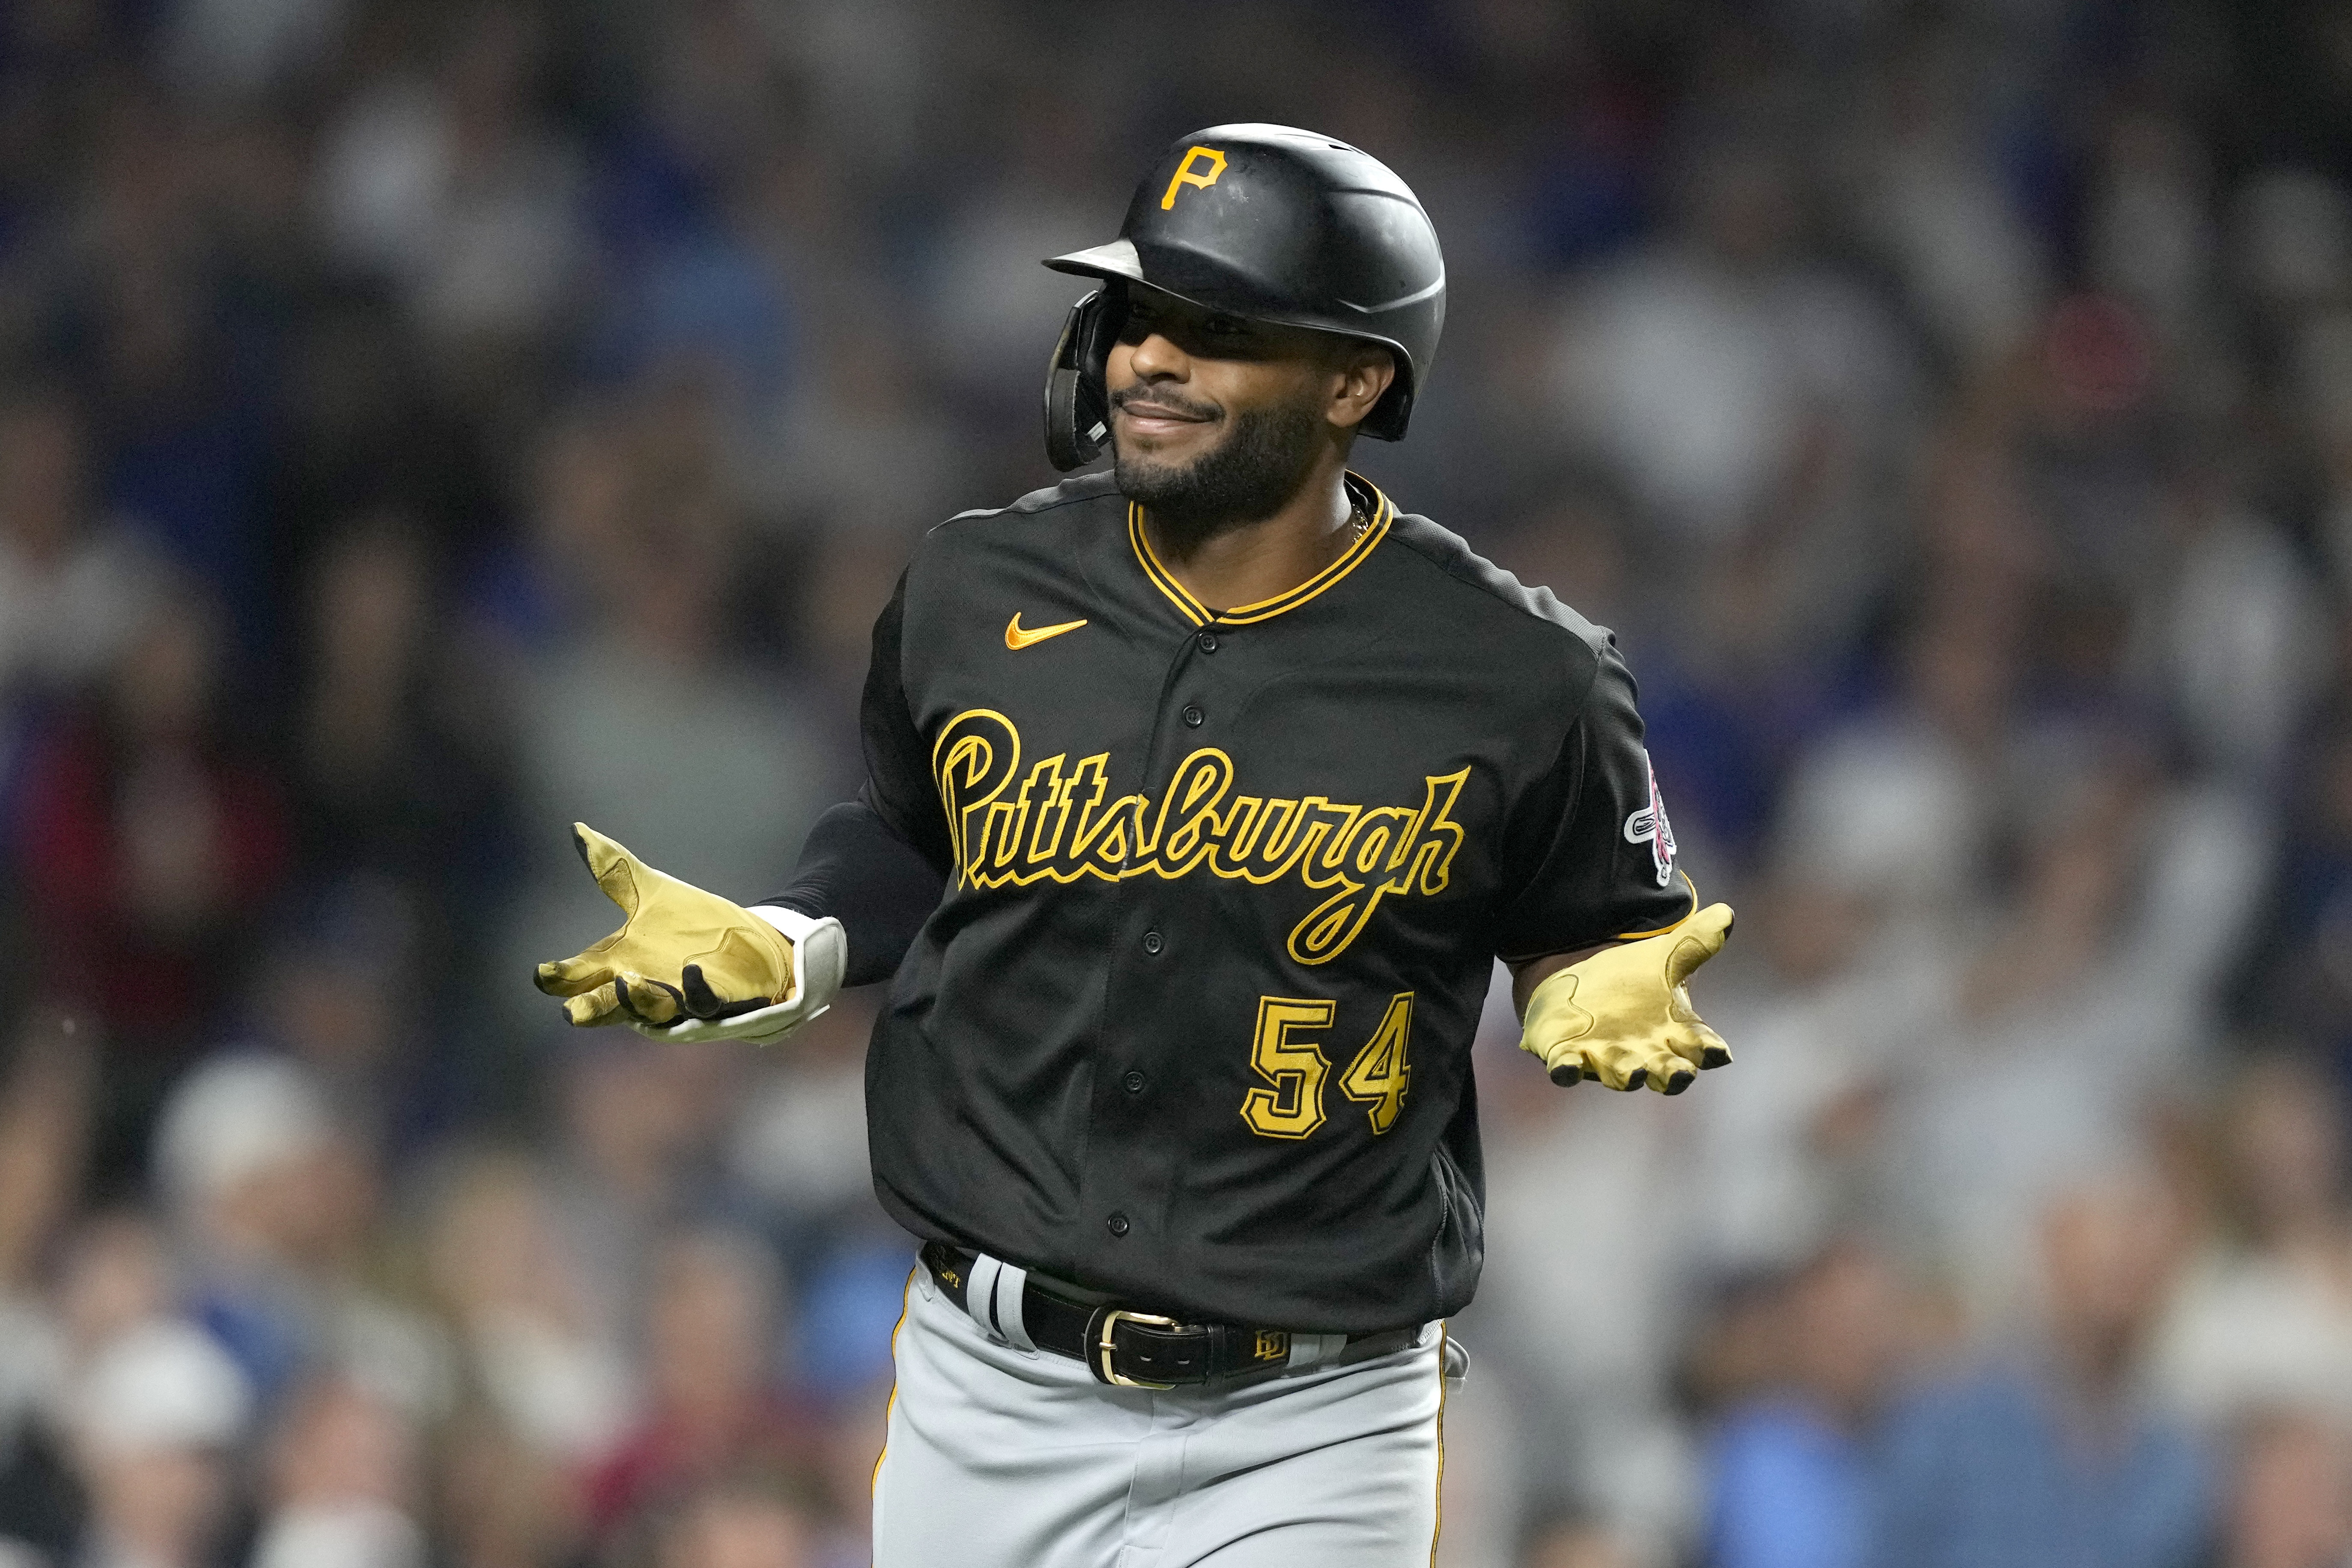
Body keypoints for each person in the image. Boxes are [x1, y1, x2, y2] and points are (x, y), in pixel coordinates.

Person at [534, 124, 1736, 1567]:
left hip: (1316, 1413)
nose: (1150, 358)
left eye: (1219, 328)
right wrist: (796, 938)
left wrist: (1594, 981)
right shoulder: (975, 585)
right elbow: (919, 836)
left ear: (1356, 380)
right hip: (989, 1394)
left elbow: (1602, 926)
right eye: (1139, 311)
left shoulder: (1523, 675)